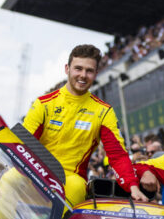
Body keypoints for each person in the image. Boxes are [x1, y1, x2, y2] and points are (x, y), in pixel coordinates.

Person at [23, 44, 145, 204]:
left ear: (95, 74)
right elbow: (22, 145)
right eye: (78, 68)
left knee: (77, 188)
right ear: (67, 69)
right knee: (8, 180)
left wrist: (133, 187)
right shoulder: (43, 104)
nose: (83, 75)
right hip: (34, 172)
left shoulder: (103, 111)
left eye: (89, 71)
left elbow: (118, 155)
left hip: (71, 180)